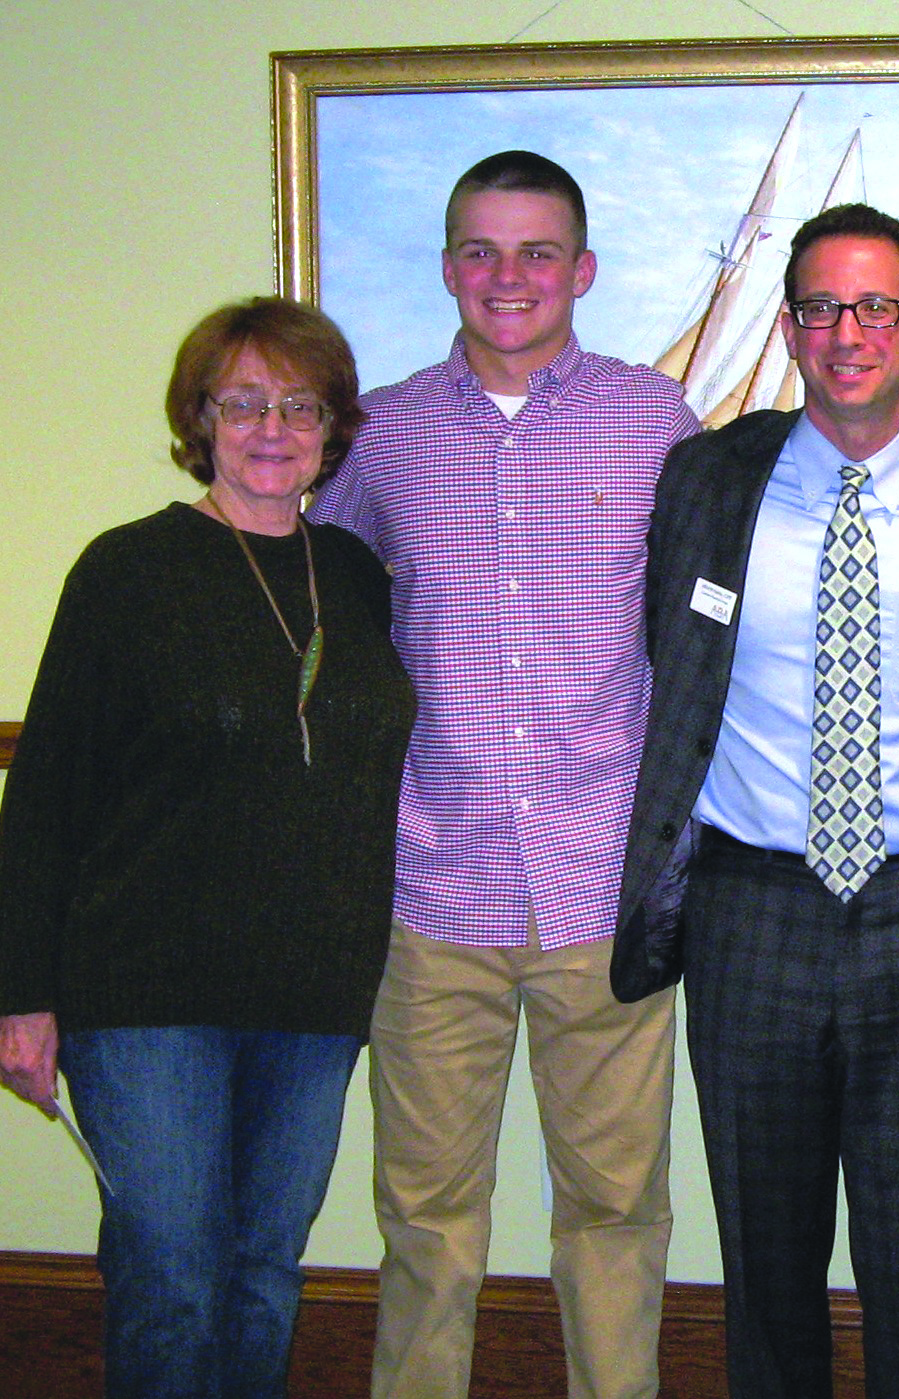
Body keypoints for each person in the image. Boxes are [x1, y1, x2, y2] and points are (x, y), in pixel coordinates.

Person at [612, 202, 899, 1398]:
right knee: (764, 1256)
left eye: (874, 306)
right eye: (818, 306)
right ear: (791, 324)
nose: (845, 331)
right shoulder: (706, 481)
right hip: (751, 911)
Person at [305, 151, 700, 1399]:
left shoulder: (658, 423)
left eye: (537, 252)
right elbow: (320, 608)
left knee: (617, 1203)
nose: (508, 276)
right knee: (425, 1213)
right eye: (481, 250)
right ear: (446, 270)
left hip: (604, 891)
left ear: (582, 270)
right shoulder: (385, 436)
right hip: (432, 890)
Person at [0, 296, 414, 1397]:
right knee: (173, 1274)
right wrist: (20, 993)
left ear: (332, 425)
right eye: (243, 403)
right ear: (201, 418)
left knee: (266, 1273)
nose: (271, 427)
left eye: (298, 404)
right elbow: (45, 794)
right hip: (147, 998)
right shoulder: (128, 571)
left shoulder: (358, 576)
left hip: (313, 994)